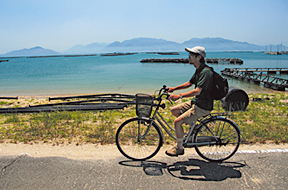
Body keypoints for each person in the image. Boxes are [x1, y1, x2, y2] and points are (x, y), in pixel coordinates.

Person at [165, 46, 214, 157]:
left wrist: (179, 96)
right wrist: (174, 88)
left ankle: (179, 148)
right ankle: (192, 130)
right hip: (196, 102)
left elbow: (197, 91)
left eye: (191, 55)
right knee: (174, 110)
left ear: (199, 57)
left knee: (177, 122)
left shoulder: (206, 72)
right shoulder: (199, 70)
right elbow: (189, 83)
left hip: (203, 106)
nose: (189, 57)